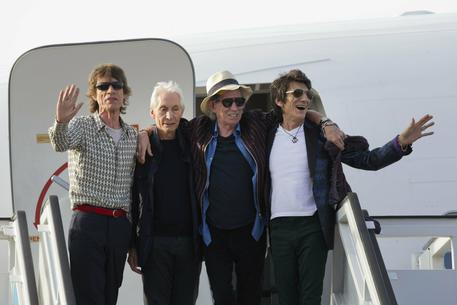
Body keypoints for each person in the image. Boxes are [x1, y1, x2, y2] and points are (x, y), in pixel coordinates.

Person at [137, 70, 343, 305]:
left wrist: (325, 122)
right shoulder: (198, 130)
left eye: (239, 101)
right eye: (228, 102)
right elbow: (166, 125)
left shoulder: (255, 123)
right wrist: (145, 132)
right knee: (222, 298)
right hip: (214, 235)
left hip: (250, 231)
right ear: (214, 106)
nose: (235, 107)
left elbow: (292, 112)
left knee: (250, 296)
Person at [267, 69, 434, 305]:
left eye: (307, 95)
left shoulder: (321, 137)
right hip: (278, 226)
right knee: (285, 296)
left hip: (312, 225)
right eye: (297, 93)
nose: (305, 99)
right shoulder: (265, 134)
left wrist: (400, 143)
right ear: (279, 100)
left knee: (311, 296)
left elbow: (367, 160)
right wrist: (324, 120)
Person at [48, 64, 137, 305]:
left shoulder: (132, 136)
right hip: (88, 224)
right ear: (95, 95)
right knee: (88, 297)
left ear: (124, 93)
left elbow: (133, 188)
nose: (110, 90)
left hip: (119, 226)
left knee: (110, 297)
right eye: (103, 86)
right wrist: (61, 121)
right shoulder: (83, 125)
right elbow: (59, 142)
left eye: (116, 85)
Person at [127, 81, 202, 305]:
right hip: (154, 244)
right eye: (163, 109)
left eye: (175, 109)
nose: (169, 115)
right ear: (152, 112)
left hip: (189, 243)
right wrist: (132, 244)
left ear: (182, 112)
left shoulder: (194, 142)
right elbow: (131, 199)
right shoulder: (141, 148)